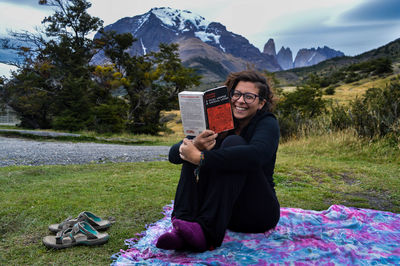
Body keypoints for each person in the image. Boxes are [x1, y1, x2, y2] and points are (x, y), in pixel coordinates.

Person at [156, 70, 280, 252]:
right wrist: (196, 145)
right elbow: (174, 155)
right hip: (224, 212)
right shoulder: (219, 122)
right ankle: (182, 224)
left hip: (256, 211)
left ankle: (206, 235)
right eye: (236, 94)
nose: (240, 101)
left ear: (261, 103)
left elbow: (256, 155)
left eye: (249, 96)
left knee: (233, 144)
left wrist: (202, 158)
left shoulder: (267, 123)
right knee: (196, 148)